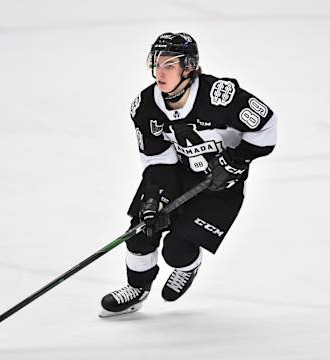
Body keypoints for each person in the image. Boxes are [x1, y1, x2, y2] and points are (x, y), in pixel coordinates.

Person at [99, 32, 277, 317]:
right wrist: (155, 197)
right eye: (157, 63)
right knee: (141, 232)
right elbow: (156, 157)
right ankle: (137, 289)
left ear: (189, 66)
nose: (160, 71)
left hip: (221, 187)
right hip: (178, 174)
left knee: (177, 251)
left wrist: (234, 160)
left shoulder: (220, 96)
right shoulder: (146, 106)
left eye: (169, 64)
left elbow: (267, 126)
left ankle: (188, 266)